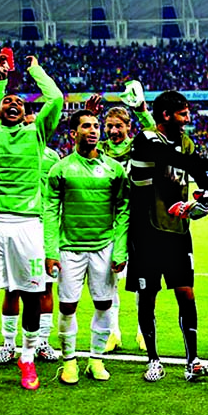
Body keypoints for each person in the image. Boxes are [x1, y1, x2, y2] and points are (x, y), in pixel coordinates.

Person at [0, 51, 64, 398]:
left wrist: (35, 71)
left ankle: (28, 356)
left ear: (25, 112)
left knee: (33, 295)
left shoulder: (36, 135)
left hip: (28, 226)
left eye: (19, 102)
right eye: (7, 101)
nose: (14, 104)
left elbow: (56, 98)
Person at [127, 90, 208, 382]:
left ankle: (193, 360)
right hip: (146, 232)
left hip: (177, 233)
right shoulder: (146, 139)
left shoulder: (186, 142)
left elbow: (199, 178)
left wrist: (203, 201)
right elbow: (175, 159)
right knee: (147, 296)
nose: (188, 117)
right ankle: (153, 359)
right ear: (166, 115)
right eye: (183, 113)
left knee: (186, 294)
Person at [45, 110, 128, 384]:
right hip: (70, 248)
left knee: (104, 304)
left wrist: (120, 250)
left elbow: (123, 210)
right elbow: (50, 211)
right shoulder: (60, 169)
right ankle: (69, 362)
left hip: (104, 247)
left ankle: (96, 359)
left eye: (96, 126)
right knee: (68, 306)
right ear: (73, 133)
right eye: (86, 126)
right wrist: (50, 250)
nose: (93, 130)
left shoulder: (114, 170)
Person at [0, 76, 59, 365]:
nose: (29, 123)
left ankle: (42, 341)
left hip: (43, 228)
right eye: (27, 119)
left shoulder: (53, 157)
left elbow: (57, 195)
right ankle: (8, 343)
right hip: (16, 222)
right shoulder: (10, 148)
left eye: (32, 119)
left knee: (44, 287)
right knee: (12, 287)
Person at [88, 86, 157, 352]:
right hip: (107, 221)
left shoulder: (138, 145)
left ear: (128, 126)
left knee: (142, 282)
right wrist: (88, 115)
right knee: (109, 282)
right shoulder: (100, 148)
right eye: (109, 126)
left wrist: (142, 110)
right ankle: (112, 332)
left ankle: (142, 330)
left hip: (139, 221)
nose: (113, 131)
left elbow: (155, 135)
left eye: (118, 126)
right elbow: (81, 148)